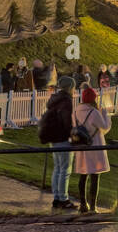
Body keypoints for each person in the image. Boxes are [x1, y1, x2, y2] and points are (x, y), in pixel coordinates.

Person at [70, 86, 112, 214]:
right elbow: (105, 127)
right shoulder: (94, 112)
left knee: (83, 176)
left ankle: (83, 204)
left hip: (82, 147)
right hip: (94, 146)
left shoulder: (76, 111)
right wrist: (106, 114)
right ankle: (93, 207)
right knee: (94, 176)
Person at [38, 76, 77, 209]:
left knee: (58, 168)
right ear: (70, 87)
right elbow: (66, 121)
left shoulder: (54, 99)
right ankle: (63, 198)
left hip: (53, 137)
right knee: (65, 170)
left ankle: (56, 197)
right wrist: (71, 134)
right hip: (62, 137)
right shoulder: (66, 101)